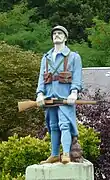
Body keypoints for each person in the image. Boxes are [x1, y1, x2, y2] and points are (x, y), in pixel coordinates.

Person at [36, 25, 82, 164]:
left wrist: (74, 92)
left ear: (65, 37)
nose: (57, 35)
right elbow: (41, 78)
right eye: (55, 33)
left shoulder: (74, 57)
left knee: (65, 125)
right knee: (53, 125)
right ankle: (55, 154)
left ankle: (66, 154)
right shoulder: (46, 58)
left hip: (65, 98)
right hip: (50, 97)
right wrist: (39, 94)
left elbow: (77, 77)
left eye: (60, 33)